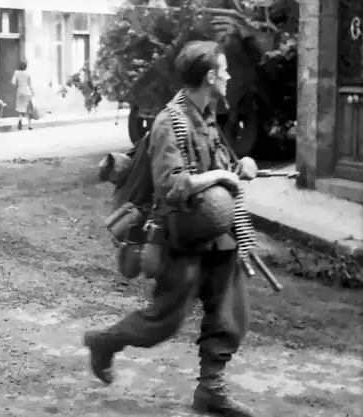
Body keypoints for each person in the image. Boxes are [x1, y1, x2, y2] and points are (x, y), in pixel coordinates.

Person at [83, 40, 259, 417]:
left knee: (230, 313)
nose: (228, 76)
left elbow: (221, 166)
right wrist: (220, 175)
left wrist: (239, 164)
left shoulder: (207, 116)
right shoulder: (170, 121)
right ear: (210, 76)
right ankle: (104, 342)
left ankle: (211, 389)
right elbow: (172, 186)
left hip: (217, 234)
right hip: (180, 234)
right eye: (224, 70)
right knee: (161, 322)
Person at [11, 60, 34, 130]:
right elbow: (30, 84)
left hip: (20, 91)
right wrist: (32, 92)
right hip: (27, 91)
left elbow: (13, 82)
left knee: (21, 108)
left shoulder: (16, 72)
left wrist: (18, 84)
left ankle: (20, 120)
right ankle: (30, 125)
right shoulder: (27, 73)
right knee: (29, 109)